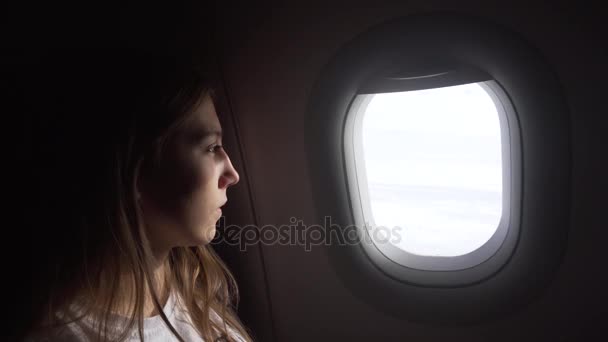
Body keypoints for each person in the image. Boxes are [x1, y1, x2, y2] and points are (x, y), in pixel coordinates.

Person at [16, 48, 253, 342]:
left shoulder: (194, 290)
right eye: (210, 147)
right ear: (135, 173)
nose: (232, 174)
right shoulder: (61, 335)